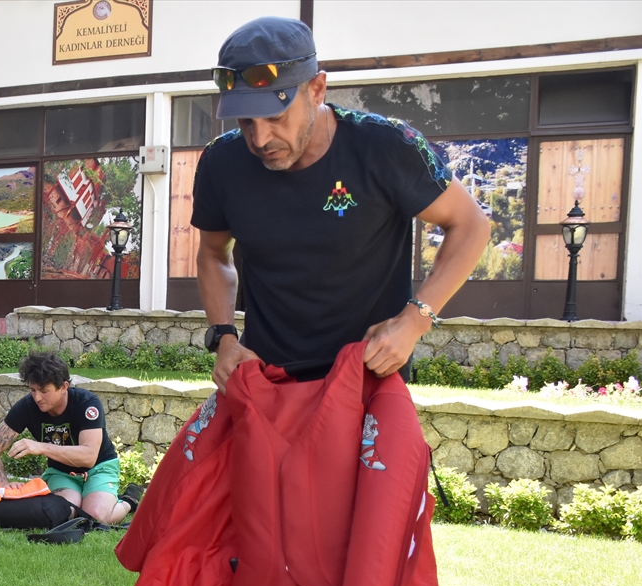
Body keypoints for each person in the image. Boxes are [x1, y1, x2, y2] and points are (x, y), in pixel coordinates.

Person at [193, 16, 490, 389]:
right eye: (245, 120)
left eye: (275, 116)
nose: (260, 137)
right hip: (267, 381)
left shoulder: (385, 146)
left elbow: (471, 224)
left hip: (368, 379)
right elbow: (213, 253)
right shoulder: (221, 163)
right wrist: (224, 338)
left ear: (317, 89)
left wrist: (414, 322)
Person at [0, 351, 141, 526]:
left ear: (64, 386)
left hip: (99, 468)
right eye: (32, 390)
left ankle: (128, 502)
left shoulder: (87, 403)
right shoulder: (27, 406)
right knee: (64, 511)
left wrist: (41, 447)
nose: (37, 398)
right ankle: (89, 497)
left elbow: (89, 457)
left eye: (44, 391)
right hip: (61, 472)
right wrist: (3, 485)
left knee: (95, 517)